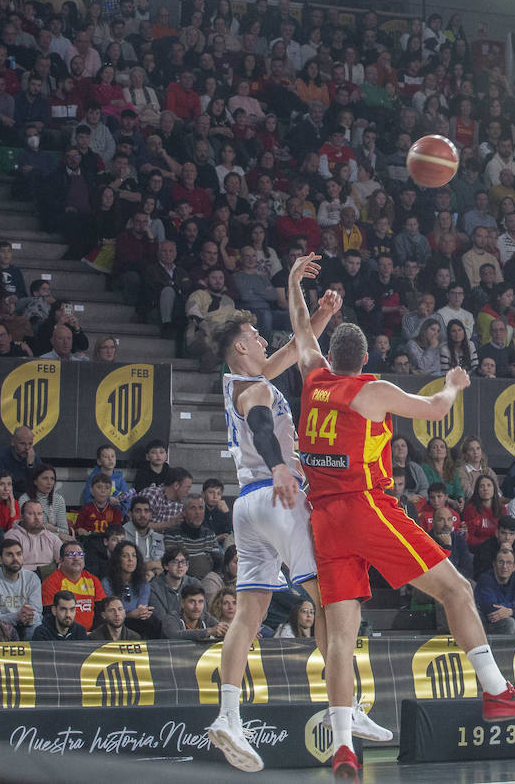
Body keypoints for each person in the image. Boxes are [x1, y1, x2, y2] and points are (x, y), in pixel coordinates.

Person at [285, 253, 515, 777]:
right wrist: (454, 382)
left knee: (340, 636)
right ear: (364, 361)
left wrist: (294, 281)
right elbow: (434, 411)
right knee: (457, 589)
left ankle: (343, 745)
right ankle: (498, 693)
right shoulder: (369, 390)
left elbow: (301, 330)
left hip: (324, 520)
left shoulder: (312, 378)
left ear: (329, 355)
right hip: (365, 507)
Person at [206, 283, 368, 775]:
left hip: (246, 507)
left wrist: (317, 316)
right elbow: (259, 425)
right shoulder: (253, 389)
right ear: (239, 345)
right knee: (329, 601)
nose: (260, 341)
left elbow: (292, 350)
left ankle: (229, 716)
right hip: (279, 497)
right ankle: (346, 705)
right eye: (254, 336)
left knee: (247, 616)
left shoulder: (241, 378)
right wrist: (279, 466)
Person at [0, 538, 42, 637]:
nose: (15, 558)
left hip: (26, 625)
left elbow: (38, 613)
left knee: (36, 627)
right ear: (0, 559)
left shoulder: (32, 578)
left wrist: (29, 616)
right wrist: (17, 617)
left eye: (18, 554)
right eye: (9, 555)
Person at [39, 540, 105, 631]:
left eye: (80, 554)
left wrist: (94, 634)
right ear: (61, 560)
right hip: (64, 636)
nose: (76, 558)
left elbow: (101, 612)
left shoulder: (93, 580)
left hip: (91, 636)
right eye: (71, 554)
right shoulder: (51, 582)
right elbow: (50, 615)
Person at [476, 548, 515, 634]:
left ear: (514, 567)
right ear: (494, 564)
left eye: (508, 563)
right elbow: (491, 609)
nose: (504, 566)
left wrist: (511, 612)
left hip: (511, 616)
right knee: (509, 622)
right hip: (487, 623)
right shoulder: (485, 579)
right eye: (501, 562)